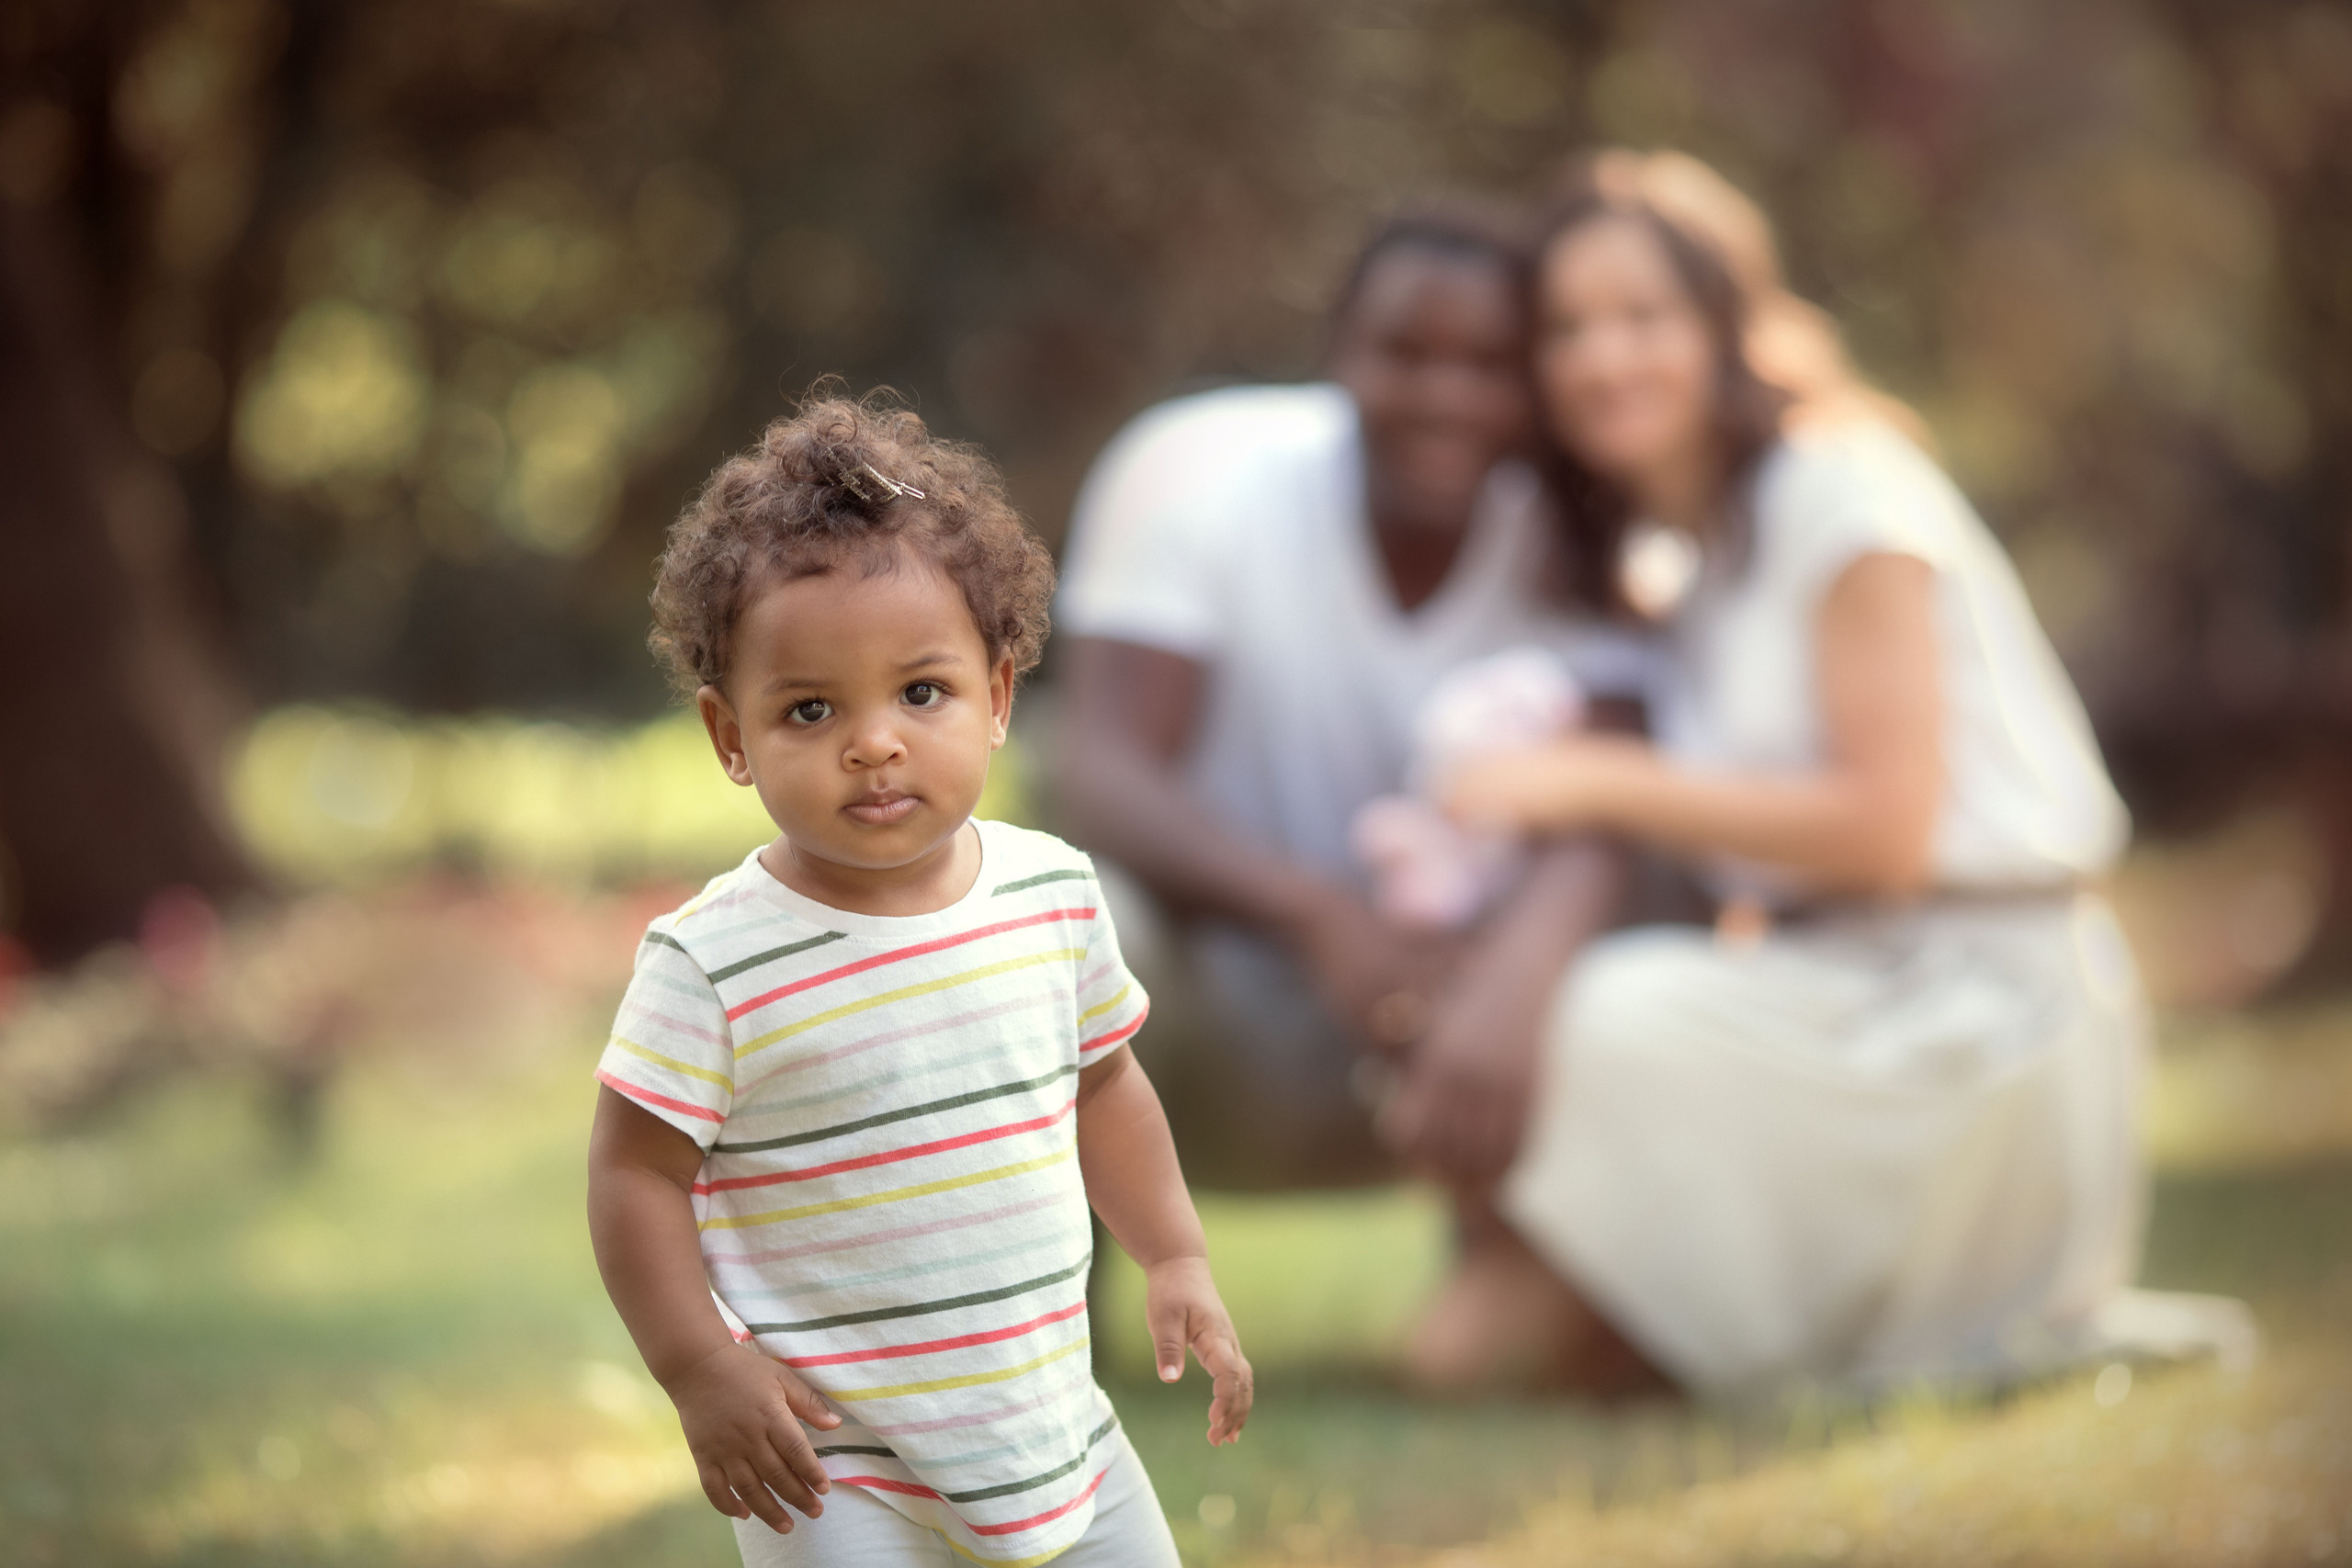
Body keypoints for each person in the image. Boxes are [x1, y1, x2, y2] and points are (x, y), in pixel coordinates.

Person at [1404, 151, 2154, 1396]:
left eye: (1645, 316)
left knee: (1608, 1009)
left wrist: (1590, 777)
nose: (1603, 358)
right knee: (1581, 1034)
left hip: (1981, 1010)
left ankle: (1663, 1313)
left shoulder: (1841, 485)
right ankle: (1612, 1301)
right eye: (1568, 329)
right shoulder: (1691, 557)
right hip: (1847, 986)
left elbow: (1886, 832)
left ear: (1728, 324)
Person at [585, 396, 1250, 1567]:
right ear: (727, 735)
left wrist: (1177, 1253)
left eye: (921, 692)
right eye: (808, 709)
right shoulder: (714, 961)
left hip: (1045, 1421)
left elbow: (1105, 1090)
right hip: (830, 1453)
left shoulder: (1049, 894)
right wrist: (700, 1367)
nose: (874, 741)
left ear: (998, 696)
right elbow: (635, 1174)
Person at [1052, 200, 1653, 1190]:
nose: (1444, 396)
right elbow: (1101, 774)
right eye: (1405, 353)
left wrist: (1508, 980)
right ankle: (1058, 1318)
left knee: (1644, 923)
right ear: (1339, 354)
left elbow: (1616, 802)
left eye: (1487, 365)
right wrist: (1319, 916)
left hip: (1481, 1017)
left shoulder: (1578, 536)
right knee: (1072, 922)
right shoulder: (1196, 469)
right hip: (1209, 1024)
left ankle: (1538, 1292)